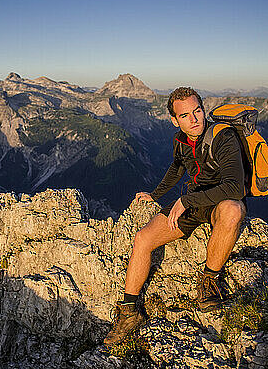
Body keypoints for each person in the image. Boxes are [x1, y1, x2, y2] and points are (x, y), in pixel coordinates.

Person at [103, 87, 247, 346]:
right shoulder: (180, 140)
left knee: (234, 209)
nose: (194, 119)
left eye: (198, 111)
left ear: (203, 109)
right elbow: (177, 166)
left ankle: (209, 281)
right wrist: (155, 195)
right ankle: (129, 312)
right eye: (185, 115)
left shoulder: (224, 137)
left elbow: (236, 188)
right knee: (142, 239)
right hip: (191, 204)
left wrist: (186, 200)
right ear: (175, 120)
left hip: (217, 203)